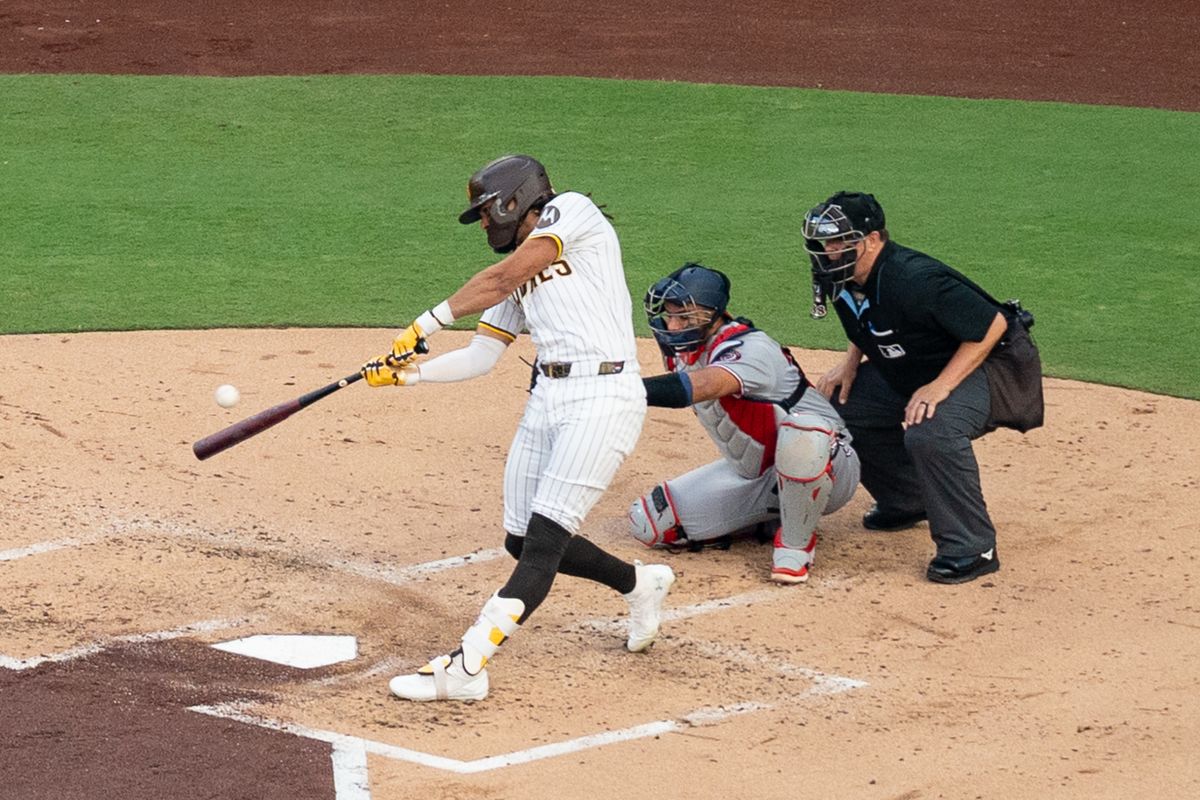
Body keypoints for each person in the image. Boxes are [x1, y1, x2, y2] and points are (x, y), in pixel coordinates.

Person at [361, 154, 674, 702]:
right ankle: (638, 583)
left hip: (603, 398)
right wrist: (407, 376)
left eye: (486, 212)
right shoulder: (520, 276)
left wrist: (424, 323)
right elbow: (483, 355)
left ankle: (467, 666)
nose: (484, 224)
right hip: (549, 398)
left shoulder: (572, 213)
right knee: (519, 538)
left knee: (544, 544)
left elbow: (502, 276)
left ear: (514, 199)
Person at [803, 191, 1016, 583]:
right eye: (825, 242)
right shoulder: (845, 274)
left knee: (931, 428)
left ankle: (972, 547)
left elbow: (994, 324)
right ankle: (906, 498)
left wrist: (939, 387)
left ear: (872, 239)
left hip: (991, 366)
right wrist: (849, 363)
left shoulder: (914, 278)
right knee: (841, 405)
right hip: (915, 366)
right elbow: (869, 318)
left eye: (839, 241)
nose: (830, 251)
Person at [627, 263, 860, 583]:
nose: (673, 323)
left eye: (684, 316)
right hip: (760, 474)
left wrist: (620, 391)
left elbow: (704, 386)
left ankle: (795, 545)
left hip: (830, 464)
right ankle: (770, 517)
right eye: (669, 314)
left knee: (805, 433)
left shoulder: (751, 349)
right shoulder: (685, 348)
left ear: (712, 314)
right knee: (651, 522)